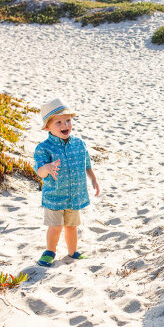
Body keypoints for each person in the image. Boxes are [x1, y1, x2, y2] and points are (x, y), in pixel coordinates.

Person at [33, 98, 99, 267]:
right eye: (59, 122)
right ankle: (50, 251)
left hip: (74, 195)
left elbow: (87, 165)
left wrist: (94, 180)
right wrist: (47, 167)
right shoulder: (44, 148)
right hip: (55, 196)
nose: (65, 125)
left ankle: (73, 252)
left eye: (68, 120)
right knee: (55, 226)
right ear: (47, 127)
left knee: (72, 226)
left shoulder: (79, 144)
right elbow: (39, 171)